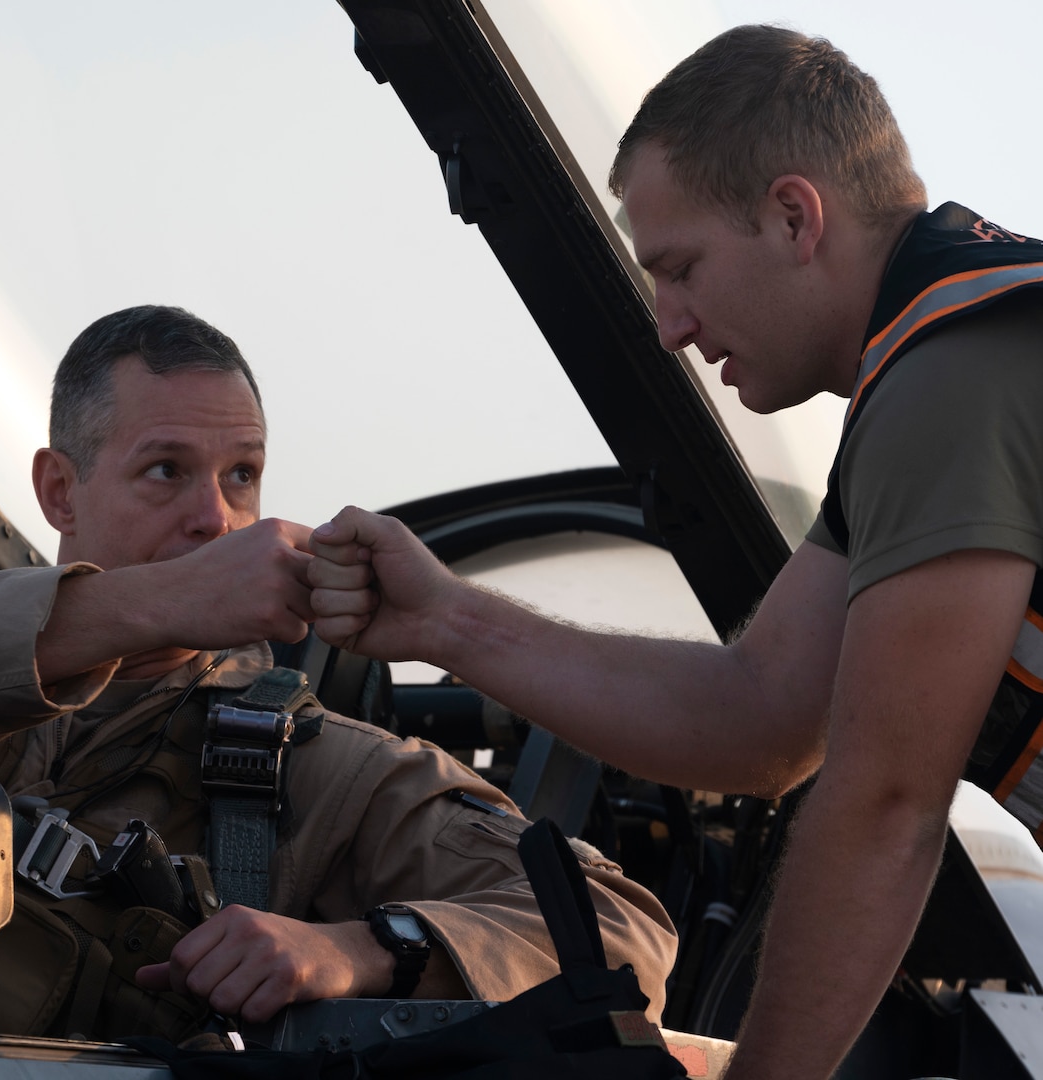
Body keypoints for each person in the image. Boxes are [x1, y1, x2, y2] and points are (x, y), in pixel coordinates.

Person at [307, 23, 1043, 1080]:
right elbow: (762, 715)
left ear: (794, 216)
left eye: (681, 268)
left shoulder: (956, 369)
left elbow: (885, 804)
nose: (670, 327)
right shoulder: (936, 377)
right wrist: (441, 621)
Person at [0, 304, 676, 1041]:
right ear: (60, 490)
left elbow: (623, 929)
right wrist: (153, 603)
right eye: (166, 471)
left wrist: (362, 949)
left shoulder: (319, 771)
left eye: (241, 476)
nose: (216, 518)